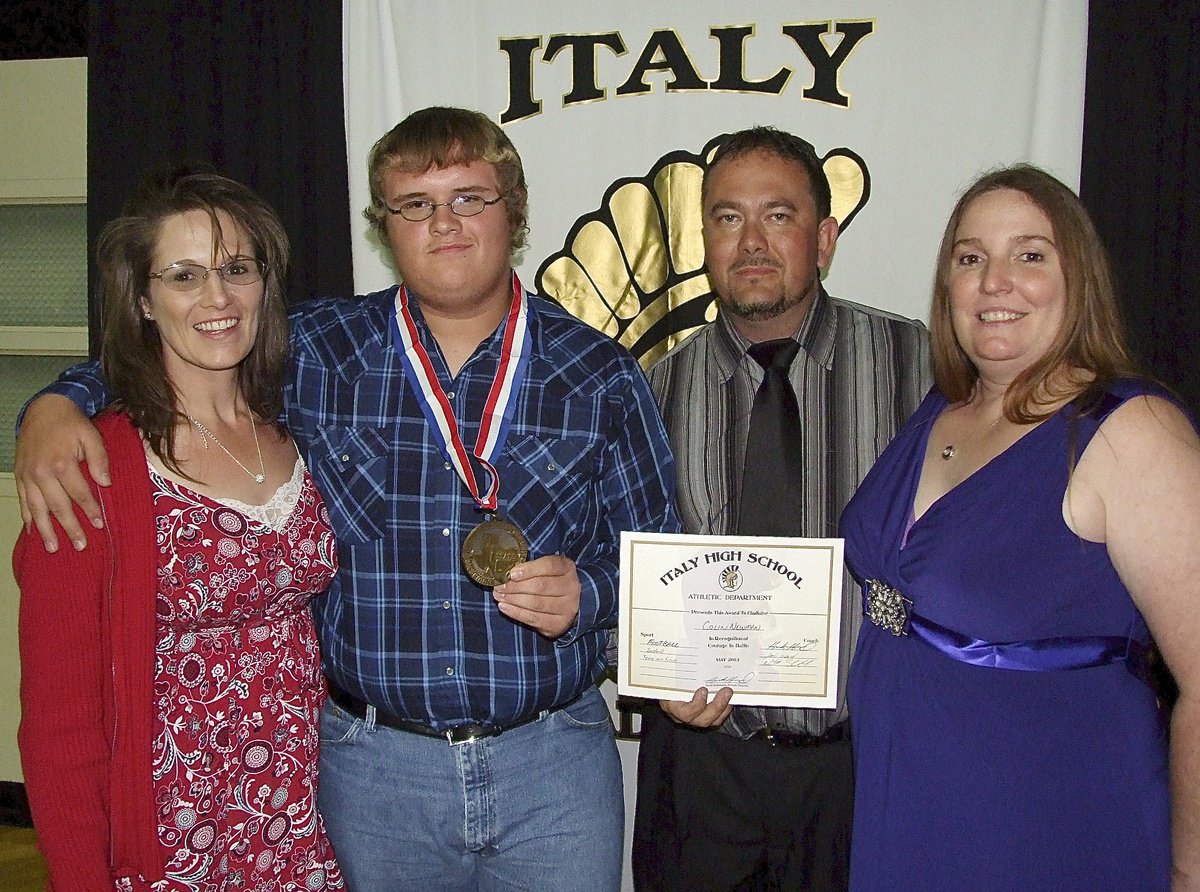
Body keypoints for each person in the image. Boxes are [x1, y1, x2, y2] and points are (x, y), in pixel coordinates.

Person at [14, 107, 679, 892]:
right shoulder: (317, 350)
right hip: (369, 771)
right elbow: (189, 341)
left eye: (470, 197)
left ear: (516, 211)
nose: (445, 224)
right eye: (415, 205)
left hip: (553, 765)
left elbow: (659, 559)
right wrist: (55, 403)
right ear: (383, 226)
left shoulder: (599, 373)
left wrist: (589, 591)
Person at [839, 164, 1200, 890]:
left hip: (1045, 822)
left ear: (1080, 278)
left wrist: (1190, 873)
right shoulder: (940, 410)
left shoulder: (1131, 432)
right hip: (904, 804)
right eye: (970, 258)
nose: (994, 280)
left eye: (1029, 255)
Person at [14, 171, 343, 890]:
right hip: (174, 836)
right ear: (142, 299)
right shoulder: (90, 469)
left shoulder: (299, 431)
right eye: (184, 275)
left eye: (236, 270)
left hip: (305, 821)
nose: (217, 299)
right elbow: (58, 731)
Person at [632, 127, 931, 890]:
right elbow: (615, 561)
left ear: (824, 238)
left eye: (779, 215)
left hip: (859, 765)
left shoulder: (918, 365)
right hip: (702, 768)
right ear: (705, 238)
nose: (752, 242)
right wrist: (633, 657)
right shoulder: (653, 389)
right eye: (728, 218)